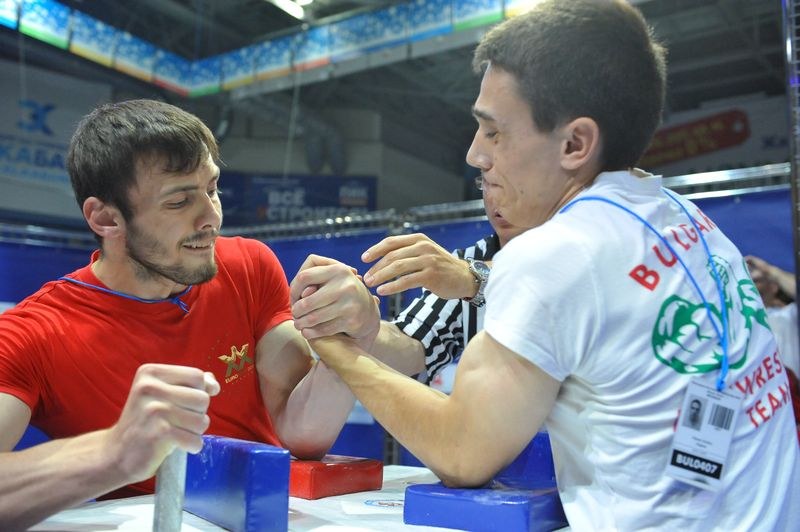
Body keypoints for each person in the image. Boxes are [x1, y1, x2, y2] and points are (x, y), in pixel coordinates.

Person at [291, 1, 800, 530]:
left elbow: (463, 452)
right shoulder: (684, 218)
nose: (474, 155)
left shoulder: (555, 253)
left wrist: (339, 350)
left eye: (494, 132)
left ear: (575, 143)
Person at [0, 99, 355, 530]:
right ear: (106, 218)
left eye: (212, 188)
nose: (211, 217)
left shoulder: (248, 265)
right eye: (179, 201)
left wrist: (348, 344)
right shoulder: (32, 332)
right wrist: (112, 452)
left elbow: (301, 435)